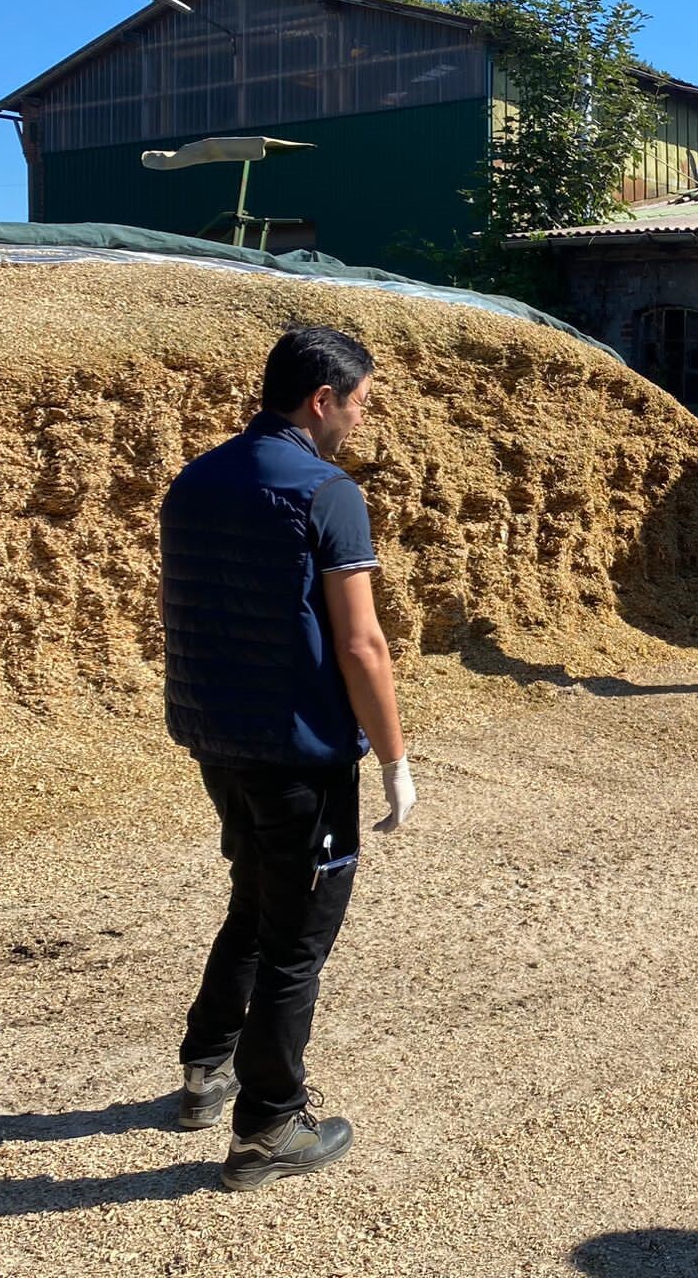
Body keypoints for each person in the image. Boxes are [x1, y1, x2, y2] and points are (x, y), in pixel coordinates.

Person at [160, 325, 417, 1191]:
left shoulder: (194, 481)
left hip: (215, 738)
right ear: (321, 401)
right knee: (297, 940)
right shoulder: (326, 491)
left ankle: (206, 1069)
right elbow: (362, 643)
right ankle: (268, 1126)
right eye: (359, 404)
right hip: (298, 754)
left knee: (253, 897)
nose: (359, 421)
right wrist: (393, 757)